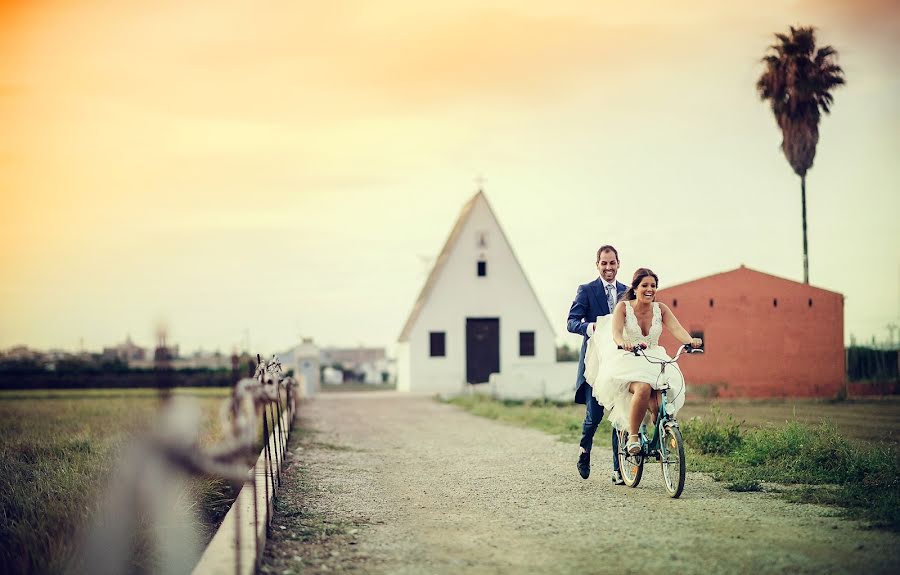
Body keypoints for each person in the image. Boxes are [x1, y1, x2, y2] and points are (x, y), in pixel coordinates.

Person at [589, 268, 702, 455]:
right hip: (629, 359)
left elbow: (677, 329)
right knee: (643, 388)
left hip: (654, 359)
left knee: (660, 403)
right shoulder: (623, 308)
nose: (650, 289)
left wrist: (690, 341)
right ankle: (633, 436)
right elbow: (616, 333)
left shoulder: (661, 309)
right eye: (645, 285)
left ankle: (661, 437)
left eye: (653, 286)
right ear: (635, 288)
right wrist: (623, 343)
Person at [566, 245, 626, 484]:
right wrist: (589, 327)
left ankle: (618, 469)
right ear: (598, 265)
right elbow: (571, 322)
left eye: (612, 263)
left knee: (620, 414)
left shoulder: (627, 292)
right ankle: (584, 451)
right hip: (595, 362)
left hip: (620, 362)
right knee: (594, 416)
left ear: (618, 264)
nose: (608, 267)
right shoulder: (587, 290)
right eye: (604, 263)